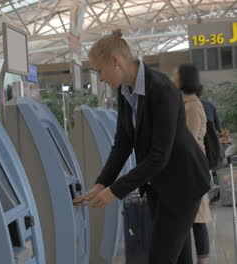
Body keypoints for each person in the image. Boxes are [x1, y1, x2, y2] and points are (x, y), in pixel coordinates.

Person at [73, 29, 210, 264]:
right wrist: (101, 183)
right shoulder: (125, 91)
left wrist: (115, 191)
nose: (101, 78)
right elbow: (123, 143)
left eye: (100, 71)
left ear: (115, 61)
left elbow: (159, 155)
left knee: (160, 257)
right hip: (160, 186)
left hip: (183, 185)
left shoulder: (161, 89)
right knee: (179, 257)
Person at [172, 64, 211, 264]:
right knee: (192, 217)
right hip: (188, 167)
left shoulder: (192, 106)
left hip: (192, 168)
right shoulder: (184, 103)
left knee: (197, 218)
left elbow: (188, 142)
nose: (172, 77)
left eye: (175, 74)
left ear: (183, 78)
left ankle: (202, 261)